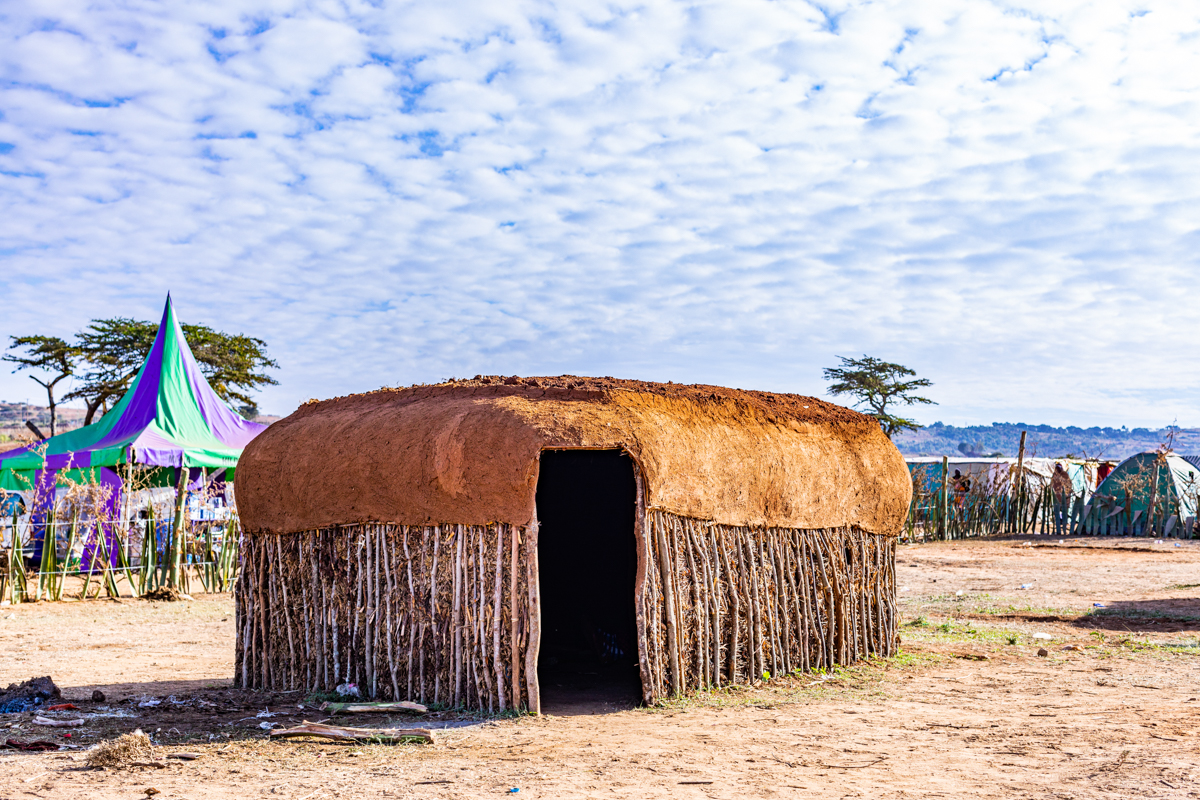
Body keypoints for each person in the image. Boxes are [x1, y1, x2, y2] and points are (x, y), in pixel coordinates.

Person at [1051, 463, 1073, 535]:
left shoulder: (1065, 475)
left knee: (1065, 509)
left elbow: (1069, 484)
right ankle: (1059, 522)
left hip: (1065, 496)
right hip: (1057, 496)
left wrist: (1066, 492)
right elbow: (1053, 484)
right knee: (1057, 510)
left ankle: (1064, 522)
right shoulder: (1055, 475)